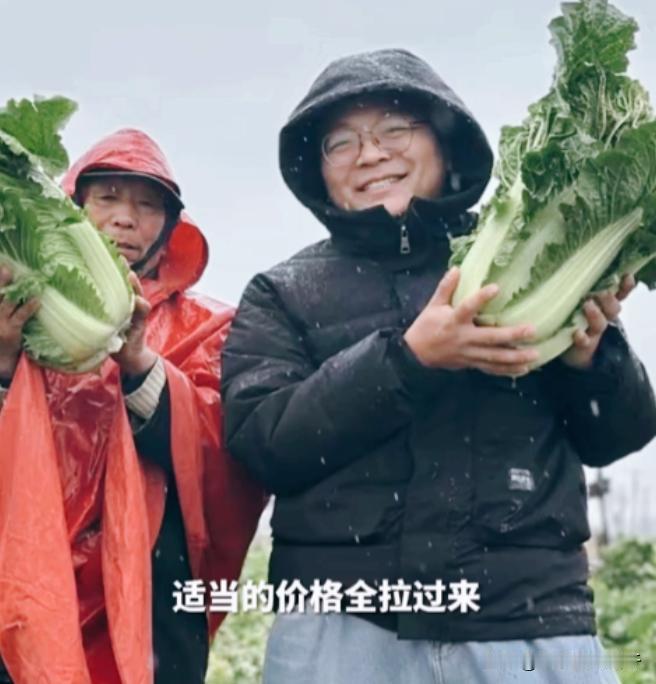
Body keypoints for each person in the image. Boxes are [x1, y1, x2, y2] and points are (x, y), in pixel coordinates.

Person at [220, 49, 656, 683]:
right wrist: (409, 360)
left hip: (527, 620)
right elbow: (262, 445)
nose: (370, 154)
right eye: (341, 143)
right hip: (345, 624)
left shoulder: (524, 256)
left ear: (446, 144)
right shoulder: (282, 291)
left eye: (396, 130)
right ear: (318, 172)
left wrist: (592, 358)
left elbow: (616, 434)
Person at [0, 128, 265, 683]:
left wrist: (141, 364)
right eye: (108, 199)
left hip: (151, 590)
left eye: (147, 206)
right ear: (71, 210)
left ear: (169, 228)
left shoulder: (207, 327)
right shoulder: (13, 312)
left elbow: (224, 458)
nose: (125, 219)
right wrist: (4, 367)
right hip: (26, 573)